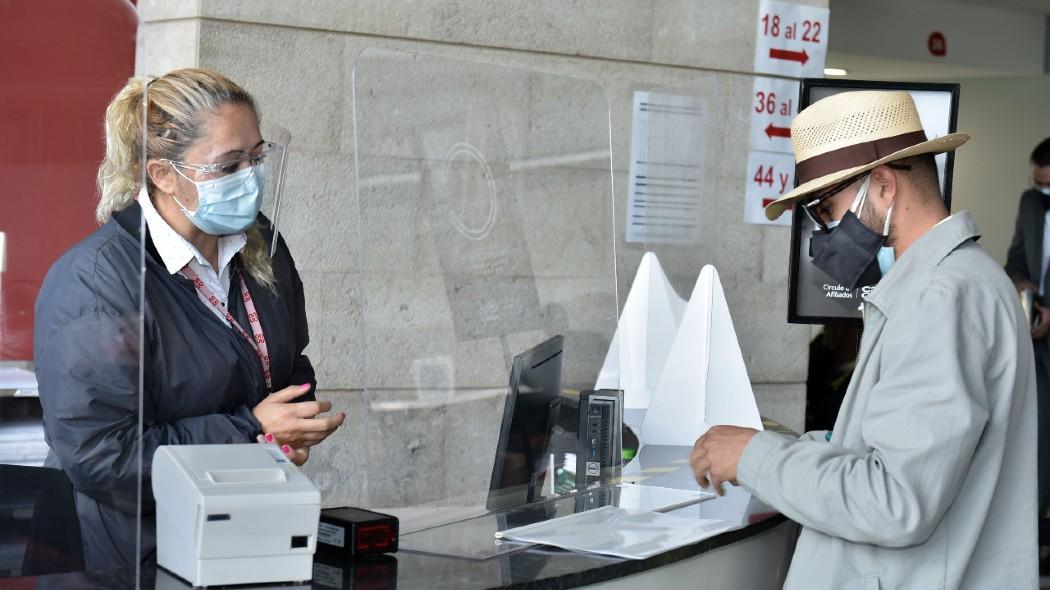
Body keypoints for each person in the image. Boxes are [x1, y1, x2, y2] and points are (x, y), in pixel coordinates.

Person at [689, 91, 1037, 588]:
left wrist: (753, 457)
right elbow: (896, 452)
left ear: (882, 185)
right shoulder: (961, 280)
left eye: (826, 208)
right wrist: (781, 449)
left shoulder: (939, 298)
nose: (825, 229)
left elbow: (895, 501)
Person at [33, 69, 345, 570]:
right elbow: (101, 457)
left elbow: (287, 361)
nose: (251, 176)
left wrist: (293, 423)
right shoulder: (96, 282)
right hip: (130, 558)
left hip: (242, 531)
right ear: (162, 174)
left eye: (257, 157)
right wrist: (251, 434)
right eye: (229, 165)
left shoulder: (260, 244)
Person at [1006, 137, 1050, 515]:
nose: (1042, 192)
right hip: (1038, 346)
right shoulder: (1030, 203)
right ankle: (1035, 541)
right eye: (1038, 184)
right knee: (1037, 439)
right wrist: (1021, 284)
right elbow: (1016, 258)